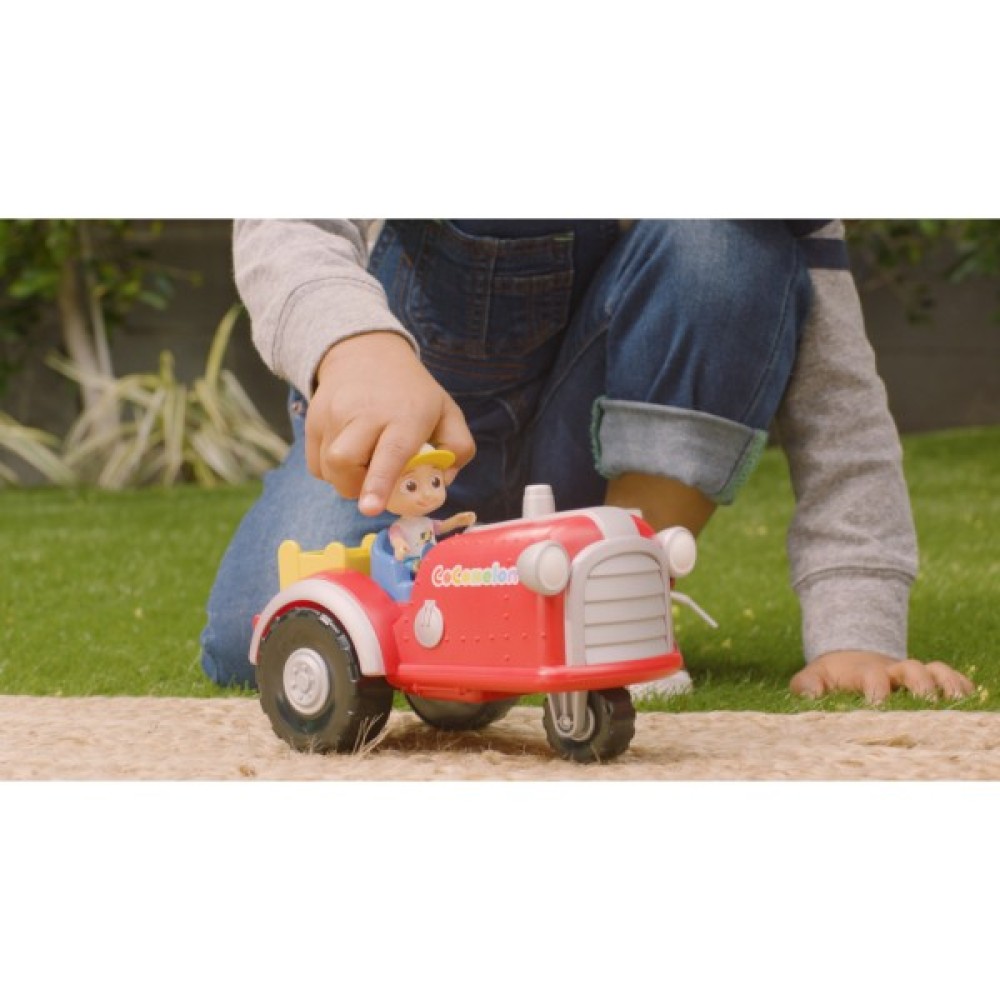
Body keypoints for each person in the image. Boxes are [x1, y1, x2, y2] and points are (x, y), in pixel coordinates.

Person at [200, 219, 973, 705]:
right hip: (418, 459)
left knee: (730, 250)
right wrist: (351, 343)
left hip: (588, 481)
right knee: (258, 634)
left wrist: (857, 634)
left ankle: (616, 613)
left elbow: (840, 406)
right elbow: (287, 223)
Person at [385, 443, 476, 575]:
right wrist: (400, 546)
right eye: (411, 486)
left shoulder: (427, 522)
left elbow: (442, 527)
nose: (427, 494)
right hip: (411, 562)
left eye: (435, 482)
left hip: (433, 559)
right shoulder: (398, 527)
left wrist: (457, 521)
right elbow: (396, 539)